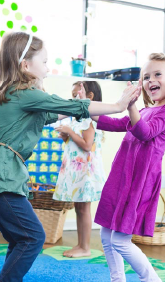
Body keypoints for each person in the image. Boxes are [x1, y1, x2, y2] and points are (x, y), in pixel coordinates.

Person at [0, 31, 141, 282]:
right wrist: (117, 105)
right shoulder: (24, 94)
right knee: (34, 237)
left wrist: (61, 100)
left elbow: (56, 113)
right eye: (45, 62)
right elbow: (70, 107)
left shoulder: (16, 94)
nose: (48, 68)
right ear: (26, 66)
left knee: (19, 238)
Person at [92, 53, 165, 282]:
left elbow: (145, 133)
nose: (150, 80)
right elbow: (117, 124)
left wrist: (131, 104)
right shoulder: (147, 109)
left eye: (158, 74)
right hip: (122, 176)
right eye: (146, 76)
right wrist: (86, 110)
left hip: (140, 182)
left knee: (120, 240)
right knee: (106, 233)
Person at [53, 81, 106, 258]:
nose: (73, 99)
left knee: (84, 209)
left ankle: (85, 247)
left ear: (88, 97)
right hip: (77, 171)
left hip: (86, 173)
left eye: (76, 95)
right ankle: (80, 244)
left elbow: (87, 145)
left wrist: (70, 131)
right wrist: (66, 136)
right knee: (79, 208)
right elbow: (76, 143)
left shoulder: (90, 118)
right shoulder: (80, 119)